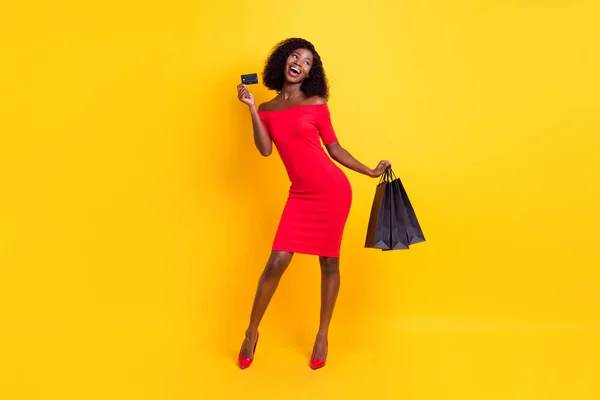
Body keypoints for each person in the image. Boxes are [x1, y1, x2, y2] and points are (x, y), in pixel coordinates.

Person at [236, 38, 390, 370]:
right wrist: (251, 108)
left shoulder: (317, 103)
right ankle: (251, 333)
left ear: (310, 72)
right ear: (283, 61)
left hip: (332, 192)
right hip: (300, 195)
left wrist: (368, 170)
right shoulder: (266, 109)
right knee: (277, 261)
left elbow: (334, 149)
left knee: (328, 263)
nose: (299, 64)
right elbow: (265, 150)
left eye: (307, 62)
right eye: (295, 56)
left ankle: (322, 335)